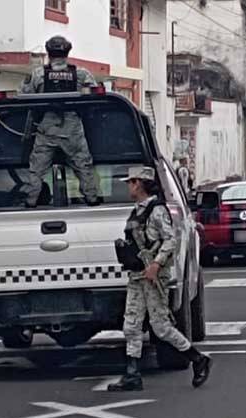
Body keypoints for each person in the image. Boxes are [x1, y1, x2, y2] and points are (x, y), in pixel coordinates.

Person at [108, 166, 212, 391]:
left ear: (139, 184)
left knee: (161, 326)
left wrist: (155, 264)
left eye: (131, 182)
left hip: (153, 275)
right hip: (137, 274)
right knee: (131, 325)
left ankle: (198, 359)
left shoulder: (157, 211)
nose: (128, 186)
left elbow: (170, 240)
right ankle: (132, 374)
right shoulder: (138, 210)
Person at [21, 35, 100, 207]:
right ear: (67, 52)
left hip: (46, 128)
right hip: (73, 129)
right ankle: (92, 198)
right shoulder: (81, 74)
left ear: (49, 53)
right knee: (83, 166)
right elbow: (95, 99)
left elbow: (24, 98)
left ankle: (30, 201)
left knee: (36, 170)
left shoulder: (38, 74)